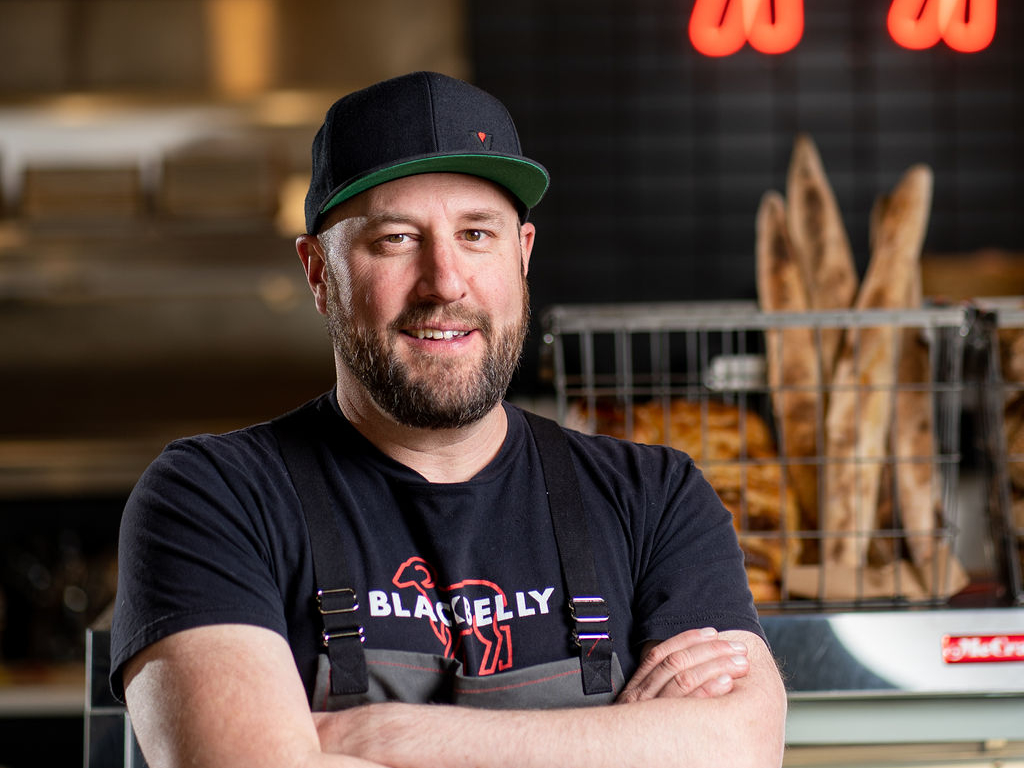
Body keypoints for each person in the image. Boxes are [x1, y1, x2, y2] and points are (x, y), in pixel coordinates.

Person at [111, 71, 786, 768]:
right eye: (396, 239)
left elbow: (739, 746)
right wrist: (625, 742)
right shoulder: (211, 499)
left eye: (476, 234)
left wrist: (380, 739)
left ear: (522, 254)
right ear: (318, 273)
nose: (445, 282)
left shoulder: (654, 499)